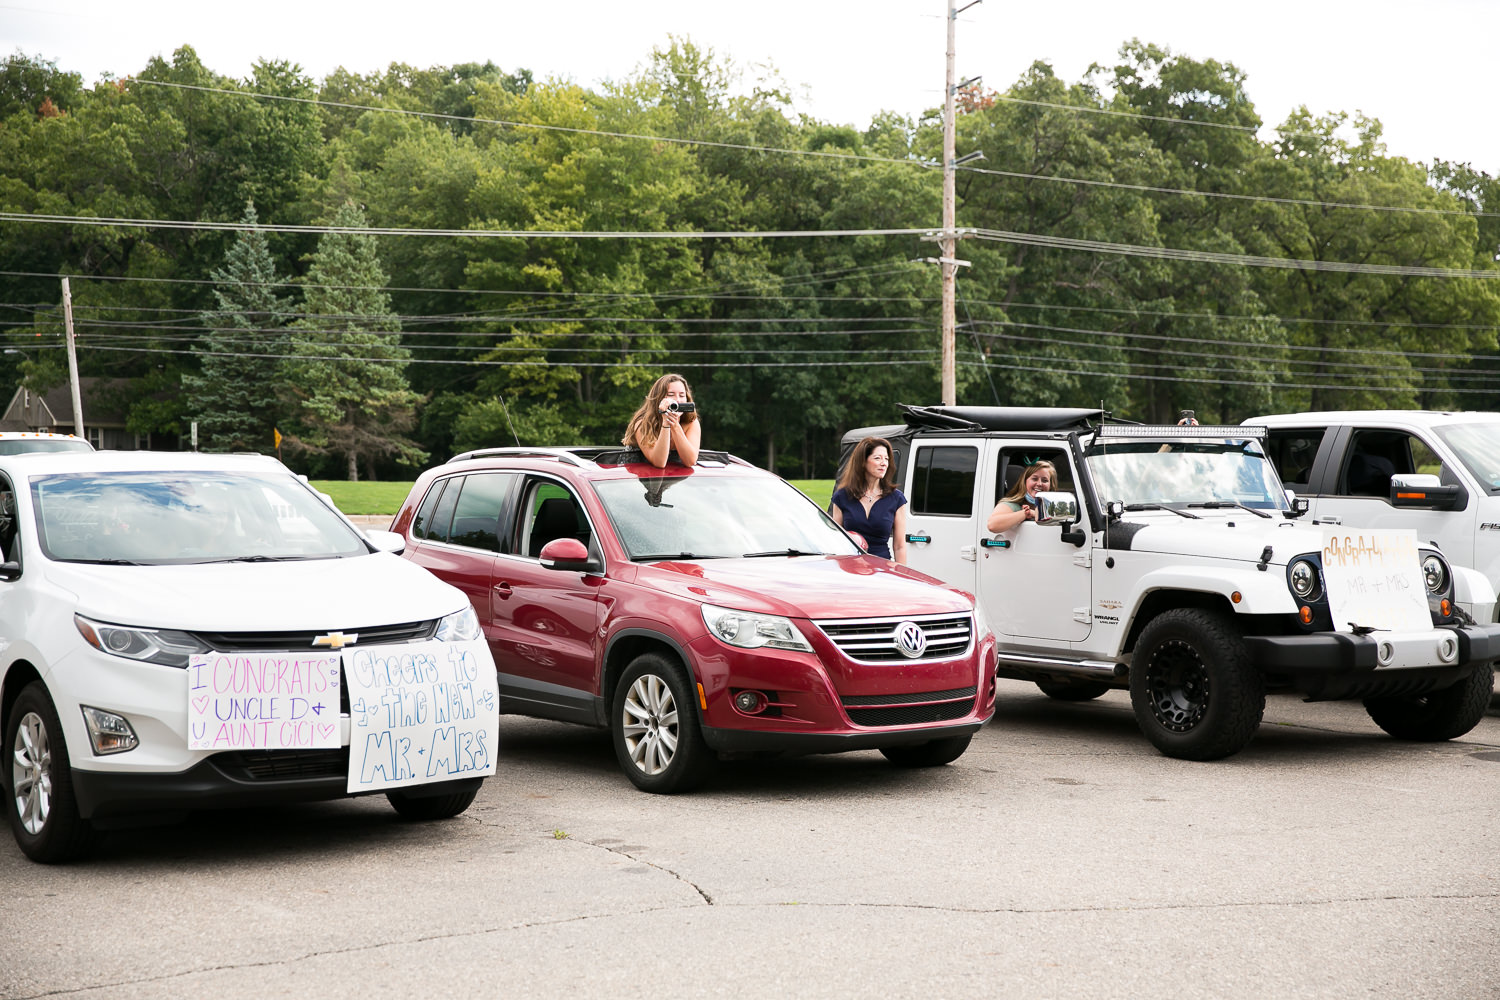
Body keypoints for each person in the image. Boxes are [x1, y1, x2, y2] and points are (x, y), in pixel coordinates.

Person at [829, 437, 908, 564]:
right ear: (863, 462)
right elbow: (835, 541)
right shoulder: (842, 497)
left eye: (886, 459)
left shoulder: (896, 498)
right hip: (850, 568)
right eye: (878, 458)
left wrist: (902, 579)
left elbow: (899, 546)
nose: (884, 463)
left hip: (882, 569)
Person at [623, 373, 701, 468]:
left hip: (674, 478)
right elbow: (659, 463)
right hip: (638, 478)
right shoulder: (642, 423)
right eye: (671, 395)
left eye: (682, 395)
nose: (677, 400)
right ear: (659, 398)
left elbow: (690, 461)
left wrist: (675, 426)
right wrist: (666, 423)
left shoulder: (691, 422)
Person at [986, 460, 1057, 533]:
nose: (1039, 484)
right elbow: (992, 525)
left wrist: (1034, 513)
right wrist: (1025, 513)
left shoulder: (1055, 506)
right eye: (1034, 479)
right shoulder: (1013, 505)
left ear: (1051, 485)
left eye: (1044, 480)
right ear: (1024, 482)